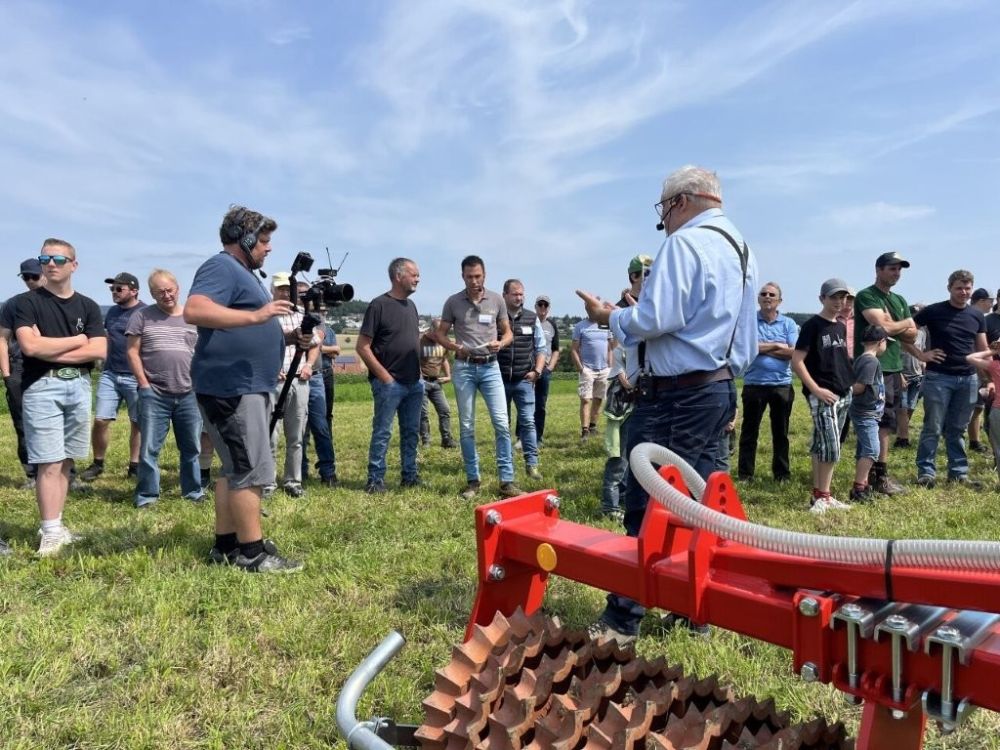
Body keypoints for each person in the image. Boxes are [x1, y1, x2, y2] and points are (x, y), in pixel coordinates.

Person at [577, 165, 758, 645]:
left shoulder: (683, 243)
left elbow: (657, 317)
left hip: (677, 394)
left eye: (664, 211)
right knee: (701, 503)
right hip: (715, 388)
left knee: (650, 503)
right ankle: (694, 607)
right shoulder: (742, 249)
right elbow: (746, 337)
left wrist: (610, 317)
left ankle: (624, 618)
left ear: (679, 202)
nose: (665, 223)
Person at [185, 204, 305, 573]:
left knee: (233, 468)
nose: (269, 248)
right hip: (232, 388)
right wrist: (258, 315)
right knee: (250, 469)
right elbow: (194, 309)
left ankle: (225, 545)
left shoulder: (241, 274)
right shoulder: (221, 266)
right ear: (247, 239)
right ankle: (252, 554)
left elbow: (245, 327)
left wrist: (286, 336)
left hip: (243, 385)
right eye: (265, 241)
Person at [14, 239, 106, 556]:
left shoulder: (89, 306)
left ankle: (56, 524)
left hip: (80, 385)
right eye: (45, 258)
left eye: (58, 259)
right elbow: (30, 348)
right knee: (49, 461)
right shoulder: (26, 304)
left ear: (73, 265)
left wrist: (54, 348)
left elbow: (100, 350)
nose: (51, 264)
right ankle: (50, 531)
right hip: (42, 385)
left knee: (66, 459)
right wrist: (80, 341)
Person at [433, 255, 521, 500]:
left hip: (491, 368)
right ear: (462, 276)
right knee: (467, 426)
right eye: (470, 276)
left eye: (478, 276)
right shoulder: (452, 302)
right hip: (464, 368)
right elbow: (439, 334)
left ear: (485, 275)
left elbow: (508, 334)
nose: (474, 281)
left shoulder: (496, 300)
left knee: (502, 423)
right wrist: (454, 347)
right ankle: (473, 480)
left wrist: (500, 343)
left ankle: (507, 481)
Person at [125, 269, 204, 508]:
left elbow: (203, 352)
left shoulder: (193, 317)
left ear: (178, 288)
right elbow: (132, 351)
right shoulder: (142, 316)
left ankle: (192, 492)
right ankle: (147, 496)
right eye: (160, 292)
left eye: (169, 290)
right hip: (154, 393)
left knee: (191, 447)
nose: (166, 295)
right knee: (149, 448)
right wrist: (144, 384)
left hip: (189, 392)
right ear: (152, 294)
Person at [912, 270, 987, 487]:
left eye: (967, 288)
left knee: (957, 429)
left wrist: (988, 378)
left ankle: (958, 473)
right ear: (949, 288)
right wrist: (921, 355)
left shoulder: (976, 315)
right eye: (959, 288)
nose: (963, 292)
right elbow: (906, 333)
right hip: (939, 377)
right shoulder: (934, 311)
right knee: (933, 427)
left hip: (968, 379)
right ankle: (926, 473)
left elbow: (981, 349)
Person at [356, 258, 424, 493]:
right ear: (398, 276)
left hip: (414, 382)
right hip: (389, 383)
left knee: (411, 432)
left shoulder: (412, 306)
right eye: (413, 274)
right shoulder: (378, 305)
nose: (418, 278)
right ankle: (375, 480)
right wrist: (385, 378)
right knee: (383, 431)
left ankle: (410, 475)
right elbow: (362, 346)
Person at [853, 252, 918, 495]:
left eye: (899, 269)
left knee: (886, 424)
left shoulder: (899, 299)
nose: (896, 273)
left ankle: (879, 475)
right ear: (878, 269)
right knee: (870, 421)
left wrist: (897, 325)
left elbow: (912, 334)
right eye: (892, 268)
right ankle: (867, 477)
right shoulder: (867, 295)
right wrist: (904, 323)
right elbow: (885, 327)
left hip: (893, 367)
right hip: (871, 367)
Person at [791, 279, 855, 513]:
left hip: (842, 391)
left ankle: (819, 494)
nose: (840, 302)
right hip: (823, 394)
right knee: (831, 446)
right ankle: (824, 497)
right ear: (822, 299)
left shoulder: (839, 325)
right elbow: (797, 361)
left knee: (821, 444)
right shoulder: (812, 326)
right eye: (834, 297)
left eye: (843, 297)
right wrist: (815, 389)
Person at [78, 273, 145, 481]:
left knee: (138, 423)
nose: (114, 293)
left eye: (119, 289)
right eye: (112, 289)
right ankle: (97, 463)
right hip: (110, 373)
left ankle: (135, 466)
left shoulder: (145, 312)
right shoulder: (112, 313)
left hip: (136, 375)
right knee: (100, 420)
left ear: (134, 290)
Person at [265, 272, 321, 499]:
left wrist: (309, 363)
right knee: (270, 436)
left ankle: (292, 481)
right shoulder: (266, 316)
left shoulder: (301, 315)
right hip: (272, 382)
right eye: (280, 288)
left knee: (296, 435)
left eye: (289, 289)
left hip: (298, 380)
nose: (285, 293)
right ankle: (267, 483)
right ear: (272, 290)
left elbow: (315, 341)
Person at [737, 282, 798, 482]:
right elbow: (747, 349)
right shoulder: (748, 321)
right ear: (758, 298)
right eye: (763, 293)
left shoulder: (788, 324)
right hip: (754, 384)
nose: (767, 296)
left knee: (781, 432)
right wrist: (775, 345)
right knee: (749, 432)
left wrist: (762, 348)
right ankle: (746, 474)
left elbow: (793, 352)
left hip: (781, 384)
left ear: (779, 300)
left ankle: (781, 474)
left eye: (772, 294)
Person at [1, 258, 48, 489]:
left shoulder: (58, 302)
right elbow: (2, 339)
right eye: (25, 277)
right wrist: (7, 375)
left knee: (56, 423)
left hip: (50, 367)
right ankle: (32, 475)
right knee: (23, 424)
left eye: (34, 276)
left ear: (45, 273)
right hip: (20, 367)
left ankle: (66, 474)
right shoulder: (13, 304)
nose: (30, 281)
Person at [498, 279, 546, 479]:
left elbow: (541, 348)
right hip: (499, 380)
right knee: (503, 424)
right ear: (505, 295)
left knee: (527, 422)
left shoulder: (531, 318)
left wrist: (537, 371)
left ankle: (532, 464)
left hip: (524, 380)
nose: (519, 298)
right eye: (515, 294)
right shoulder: (496, 318)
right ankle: (507, 464)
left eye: (521, 294)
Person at [849, 325, 889, 502]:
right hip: (866, 413)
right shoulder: (870, 361)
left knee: (864, 449)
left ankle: (863, 484)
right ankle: (859, 489)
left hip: (867, 412)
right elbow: (859, 387)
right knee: (872, 450)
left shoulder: (860, 359)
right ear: (881, 342)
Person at [300, 315, 338, 487]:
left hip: (315, 375)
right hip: (290, 376)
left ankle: (328, 472)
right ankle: (299, 471)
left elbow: (318, 340)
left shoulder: (317, 317)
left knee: (320, 426)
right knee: (297, 429)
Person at [571, 318, 613, 439]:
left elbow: (610, 347)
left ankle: (593, 426)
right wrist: (580, 368)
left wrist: (610, 365)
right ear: (586, 307)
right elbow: (574, 349)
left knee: (599, 398)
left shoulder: (606, 326)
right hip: (587, 369)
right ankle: (585, 430)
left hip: (604, 368)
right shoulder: (580, 326)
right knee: (585, 399)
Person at [419, 319, 456, 448]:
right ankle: (426, 441)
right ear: (431, 330)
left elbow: (444, 359)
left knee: (445, 410)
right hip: (422, 381)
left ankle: (446, 439)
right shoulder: (420, 341)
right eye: (438, 333)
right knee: (423, 413)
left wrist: (448, 376)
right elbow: (413, 360)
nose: (440, 336)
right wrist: (419, 377)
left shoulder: (443, 341)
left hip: (436, 382)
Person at [966, 341, 1000, 484]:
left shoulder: (995, 366)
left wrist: (991, 352)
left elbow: (970, 358)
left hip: (997, 411)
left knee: (998, 448)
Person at [967, 288, 995, 454]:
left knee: (978, 407)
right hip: (972, 368)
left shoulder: (980, 319)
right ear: (980, 300)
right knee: (969, 407)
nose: (992, 304)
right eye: (989, 300)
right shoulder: (973, 318)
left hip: (981, 368)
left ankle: (974, 440)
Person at [895, 303, 926, 448]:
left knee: (911, 407)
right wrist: (899, 374)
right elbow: (893, 356)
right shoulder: (899, 333)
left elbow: (921, 351)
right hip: (903, 374)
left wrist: (923, 365)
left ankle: (901, 432)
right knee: (902, 407)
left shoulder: (922, 333)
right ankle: (903, 438)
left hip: (917, 375)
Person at [530, 295, 559, 446]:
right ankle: (522, 437)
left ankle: (538, 437)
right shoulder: (529, 321)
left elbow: (555, 349)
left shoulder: (552, 325)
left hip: (545, 370)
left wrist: (550, 367)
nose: (542, 308)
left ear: (548, 308)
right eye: (540, 305)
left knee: (541, 404)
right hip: (529, 369)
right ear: (535, 306)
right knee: (526, 403)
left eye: (545, 305)